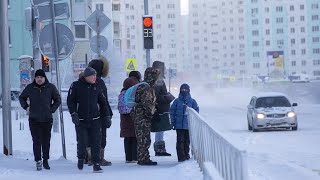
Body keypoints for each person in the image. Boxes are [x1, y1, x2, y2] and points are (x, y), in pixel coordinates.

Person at [67, 67, 108, 173]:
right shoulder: (76, 86)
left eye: (95, 75)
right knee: (82, 141)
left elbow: (103, 103)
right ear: (86, 77)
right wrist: (73, 114)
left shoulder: (97, 86)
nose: (95, 77)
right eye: (93, 75)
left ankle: (96, 164)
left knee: (96, 143)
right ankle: (81, 158)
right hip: (81, 120)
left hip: (95, 119)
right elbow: (70, 101)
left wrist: (106, 116)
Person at [19, 69, 61, 171]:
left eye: (41, 77)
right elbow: (22, 97)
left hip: (47, 119)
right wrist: (26, 107)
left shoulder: (50, 87)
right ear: (35, 78)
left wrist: (52, 109)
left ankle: (45, 160)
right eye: (37, 77)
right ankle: (38, 160)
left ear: (44, 78)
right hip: (34, 119)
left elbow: (58, 99)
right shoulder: (30, 87)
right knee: (36, 141)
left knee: (46, 141)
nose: (39, 79)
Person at [131, 68, 160, 165]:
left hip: (140, 116)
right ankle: (143, 159)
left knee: (143, 138)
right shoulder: (146, 87)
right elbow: (146, 103)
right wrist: (153, 113)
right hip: (142, 117)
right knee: (144, 138)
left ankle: (143, 157)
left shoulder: (144, 86)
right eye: (155, 76)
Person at [88, 57, 112, 166]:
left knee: (88, 135)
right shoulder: (100, 82)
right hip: (100, 115)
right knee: (101, 136)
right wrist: (108, 114)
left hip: (86, 114)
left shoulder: (83, 80)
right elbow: (104, 100)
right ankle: (99, 158)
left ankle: (87, 158)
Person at [170, 83, 199, 162]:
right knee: (180, 141)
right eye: (182, 89)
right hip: (179, 126)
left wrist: (194, 124)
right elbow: (172, 112)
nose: (184, 91)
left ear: (189, 90)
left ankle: (186, 155)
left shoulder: (192, 101)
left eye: (185, 89)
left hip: (188, 126)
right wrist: (172, 123)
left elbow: (196, 113)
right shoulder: (176, 101)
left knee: (187, 142)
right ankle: (181, 157)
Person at [151, 61, 174, 156]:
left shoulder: (157, 79)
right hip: (160, 109)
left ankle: (160, 148)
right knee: (160, 129)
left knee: (160, 130)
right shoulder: (158, 81)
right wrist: (166, 97)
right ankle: (159, 149)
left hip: (160, 108)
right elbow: (155, 96)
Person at [117, 73, 141, 163]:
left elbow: (120, 108)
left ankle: (128, 158)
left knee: (127, 139)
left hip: (124, 120)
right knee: (134, 138)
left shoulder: (122, 93)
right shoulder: (133, 94)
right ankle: (135, 157)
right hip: (133, 118)